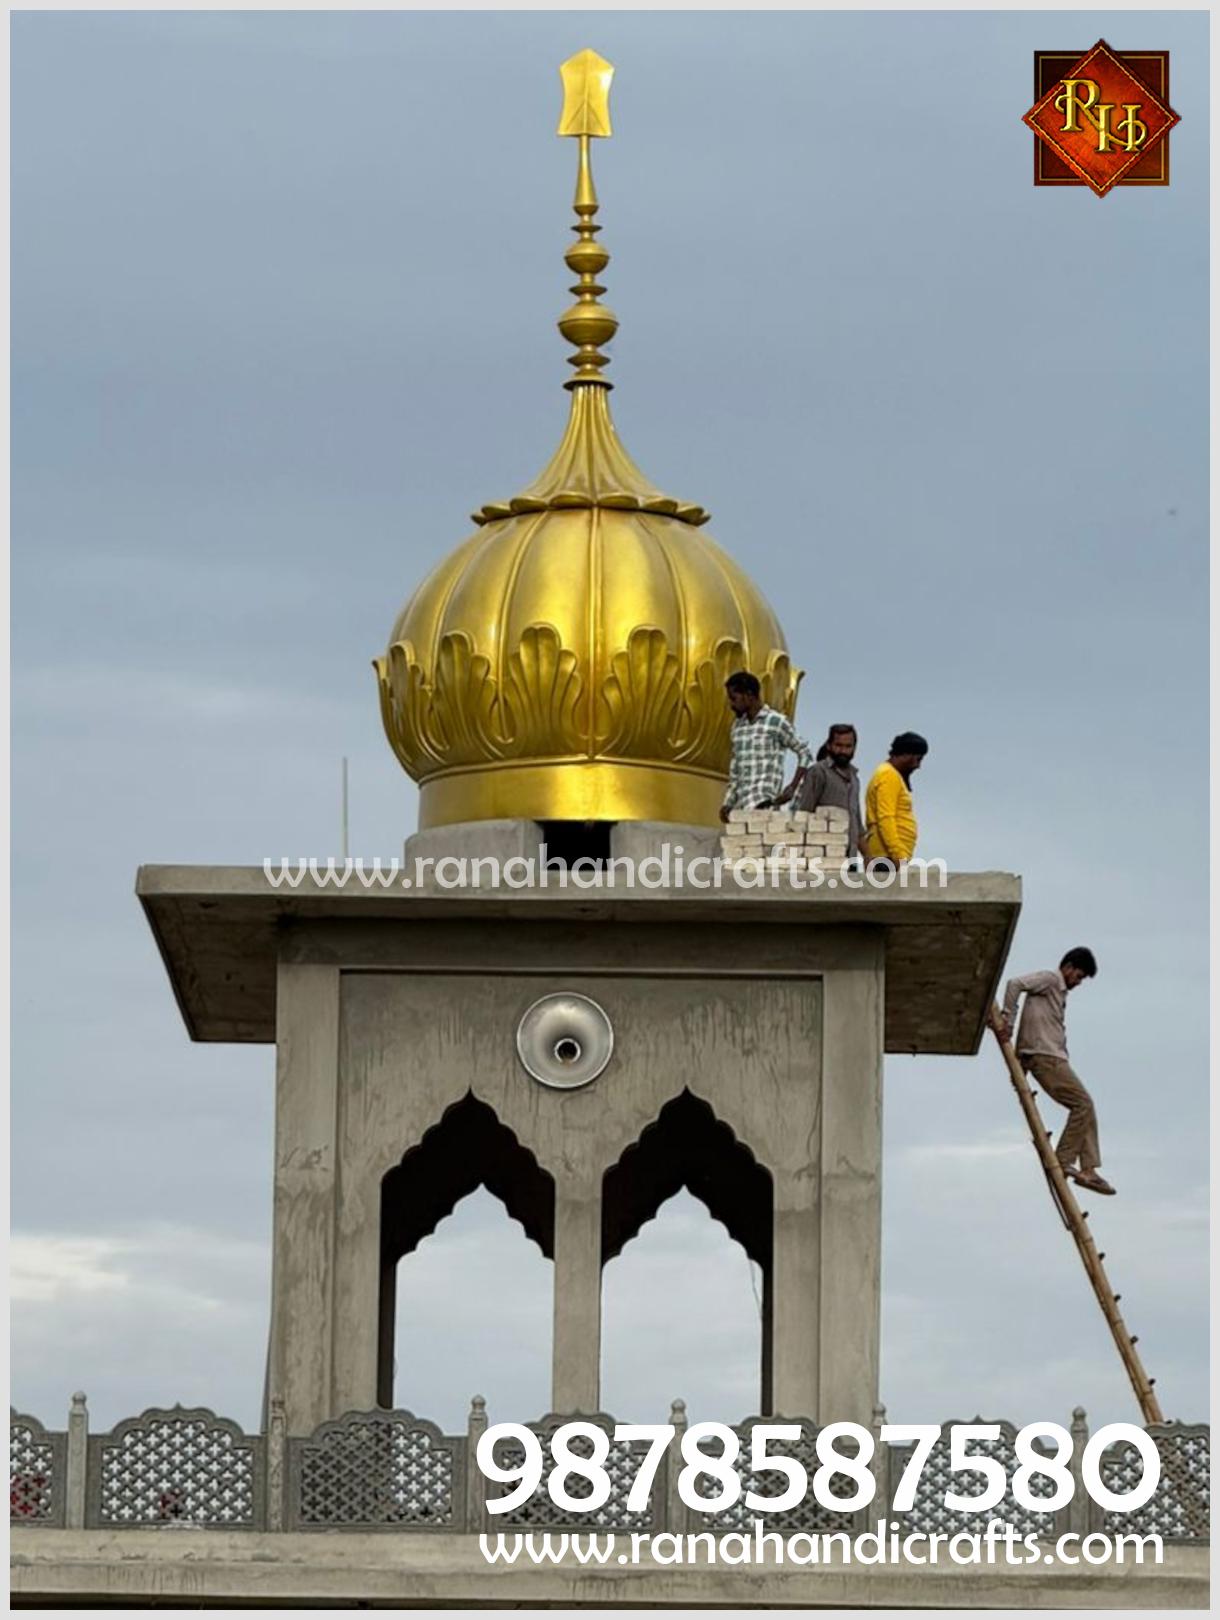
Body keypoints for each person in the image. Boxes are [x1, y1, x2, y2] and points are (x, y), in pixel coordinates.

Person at [999, 947, 1113, 1197]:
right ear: (1069, 967)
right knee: (1083, 1104)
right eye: (1079, 977)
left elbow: (1040, 1024)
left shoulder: (1058, 993)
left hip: (1050, 1056)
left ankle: (1089, 1168)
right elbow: (1014, 983)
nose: (1078, 982)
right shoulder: (1051, 979)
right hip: (1046, 1057)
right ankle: (1066, 1159)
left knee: (1086, 1106)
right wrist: (1008, 1019)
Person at [719, 671, 812, 822]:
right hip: (742, 809)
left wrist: (792, 787)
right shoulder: (737, 727)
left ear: (749, 695)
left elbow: (805, 753)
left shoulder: (776, 721)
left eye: (734, 699)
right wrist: (727, 803)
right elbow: (735, 770)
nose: (731, 705)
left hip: (765, 807)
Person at [783, 723, 864, 857]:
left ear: (854, 748)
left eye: (848, 746)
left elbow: (857, 825)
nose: (843, 751)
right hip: (823, 856)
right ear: (829, 746)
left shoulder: (854, 779)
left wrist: (868, 857)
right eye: (838, 745)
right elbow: (804, 815)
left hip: (850, 856)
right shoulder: (818, 772)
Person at [860, 732, 928, 867]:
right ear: (908, 755)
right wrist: (899, 856)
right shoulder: (888, 775)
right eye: (918, 759)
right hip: (887, 856)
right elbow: (886, 818)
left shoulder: (890, 774)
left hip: (889, 856)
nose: (918, 766)